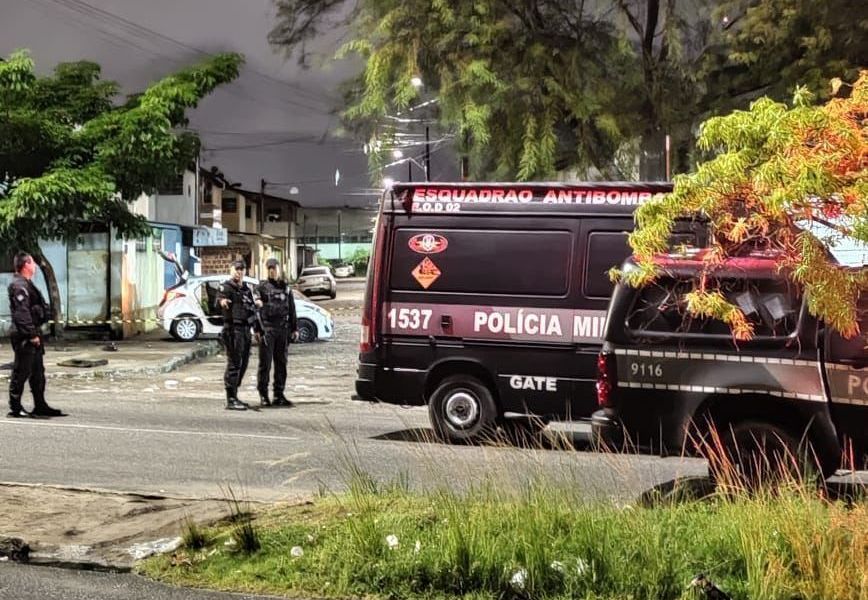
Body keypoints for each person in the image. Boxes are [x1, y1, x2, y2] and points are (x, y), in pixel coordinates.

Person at [7, 252, 64, 418]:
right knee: (21, 371)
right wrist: (31, 334)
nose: (35, 266)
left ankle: (40, 405)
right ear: (26, 265)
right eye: (32, 263)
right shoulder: (19, 285)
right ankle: (15, 407)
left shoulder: (26, 283)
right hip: (25, 336)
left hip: (33, 334)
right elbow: (21, 313)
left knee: (38, 373)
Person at [255, 258, 299, 407]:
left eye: (274, 268)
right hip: (267, 329)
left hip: (283, 329)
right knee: (265, 365)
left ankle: (279, 395)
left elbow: (292, 308)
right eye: (269, 269)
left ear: (279, 269)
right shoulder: (261, 288)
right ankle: (263, 395)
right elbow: (255, 311)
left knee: (281, 364)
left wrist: (294, 328)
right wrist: (257, 330)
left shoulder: (286, 288)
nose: (272, 271)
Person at [217, 260, 257, 411]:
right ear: (231, 270)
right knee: (234, 364)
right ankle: (231, 398)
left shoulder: (246, 289)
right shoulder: (226, 287)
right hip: (233, 329)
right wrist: (223, 302)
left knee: (244, 363)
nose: (239, 272)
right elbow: (220, 299)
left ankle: (235, 393)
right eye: (237, 269)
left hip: (246, 330)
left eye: (242, 269)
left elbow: (251, 308)